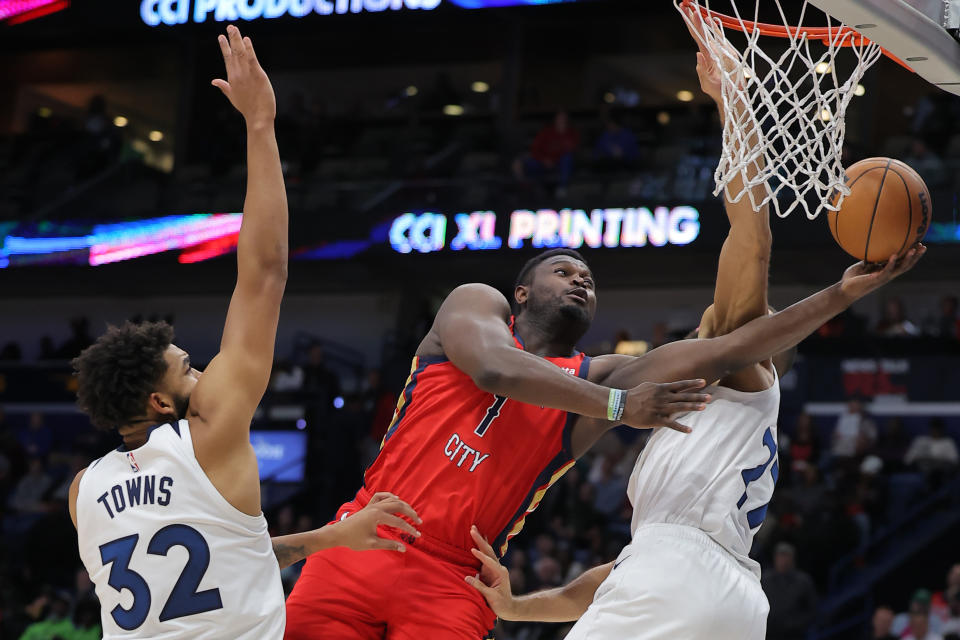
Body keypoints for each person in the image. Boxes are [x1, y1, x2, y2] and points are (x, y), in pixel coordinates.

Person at [284, 10, 926, 637]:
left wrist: (838, 290)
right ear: (521, 293)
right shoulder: (481, 311)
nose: (580, 278)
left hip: (475, 574)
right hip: (368, 538)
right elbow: (496, 369)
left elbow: (746, 254)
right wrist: (619, 407)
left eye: (588, 277)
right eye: (563, 271)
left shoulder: (655, 373)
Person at [66, 26, 419, 639]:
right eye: (189, 369)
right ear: (159, 401)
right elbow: (265, 274)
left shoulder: (82, 492)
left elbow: (216, 555)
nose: (205, 373)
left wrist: (331, 539)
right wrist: (260, 124)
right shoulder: (211, 435)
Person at [761, 543, 819, 640]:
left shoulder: (803, 581)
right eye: (780, 556)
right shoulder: (765, 579)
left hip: (793, 634)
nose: (783, 560)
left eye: (786, 556)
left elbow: (812, 610)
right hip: (768, 632)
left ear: (792, 559)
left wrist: (794, 624)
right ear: (775, 558)